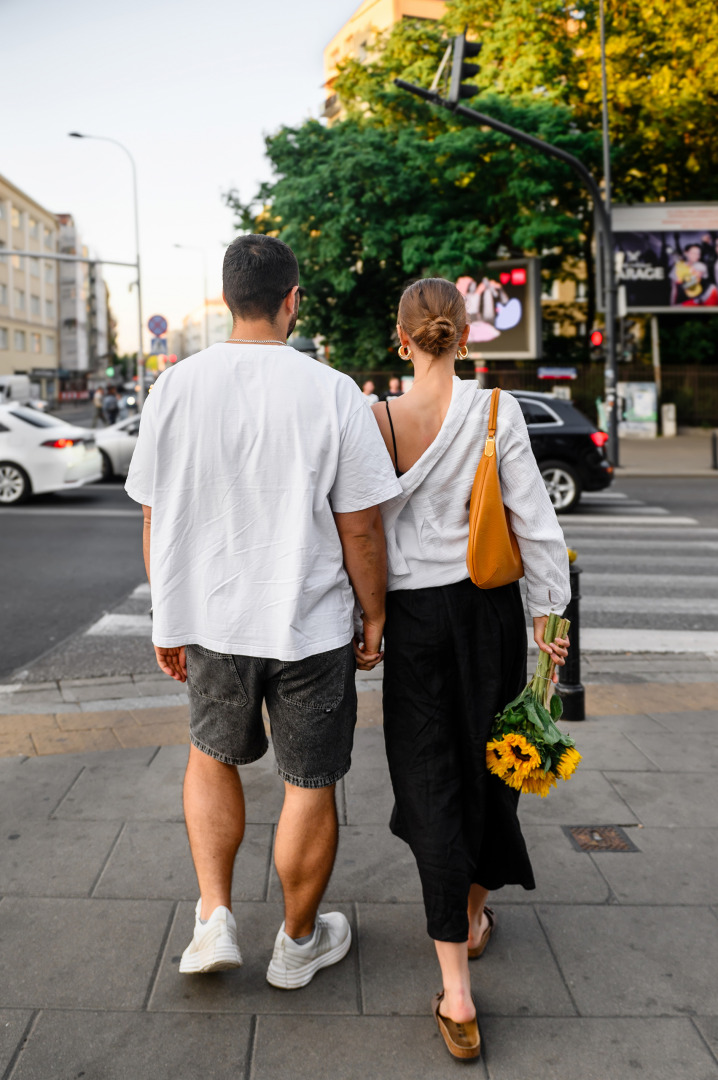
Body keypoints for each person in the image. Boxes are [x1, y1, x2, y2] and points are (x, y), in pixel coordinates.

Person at [125, 235, 401, 988]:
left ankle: (213, 916)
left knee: (211, 757)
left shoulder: (175, 386)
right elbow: (361, 526)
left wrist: (167, 619)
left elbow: (156, 516)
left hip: (211, 621)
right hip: (309, 624)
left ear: (225, 300)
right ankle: (298, 943)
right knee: (311, 783)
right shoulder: (332, 390)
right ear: (292, 300)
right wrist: (373, 617)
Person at [368, 278, 570, 1061]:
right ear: (467, 336)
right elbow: (536, 524)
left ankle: (455, 989)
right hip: (487, 615)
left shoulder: (376, 418)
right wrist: (551, 620)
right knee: (495, 764)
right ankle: (476, 911)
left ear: (402, 339)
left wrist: (367, 618)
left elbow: (355, 528)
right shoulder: (497, 411)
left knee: (429, 776)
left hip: (413, 623)